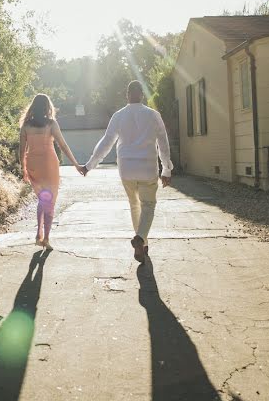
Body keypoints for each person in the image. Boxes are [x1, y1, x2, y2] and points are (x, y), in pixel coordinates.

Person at [79, 80, 172, 263]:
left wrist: (90, 165)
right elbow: (163, 143)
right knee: (148, 205)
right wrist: (167, 169)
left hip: (126, 168)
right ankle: (140, 239)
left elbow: (106, 142)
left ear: (127, 95)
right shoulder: (153, 115)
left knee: (134, 205)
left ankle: (142, 244)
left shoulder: (119, 116)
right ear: (142, 95)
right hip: (147, 167)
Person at [19, 94, 84, 248]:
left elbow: (22, 150)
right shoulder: (51, 124)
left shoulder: (26, 126)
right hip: (49, 164)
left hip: (33, 164)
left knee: (42, 199)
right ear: (48, 107)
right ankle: (45, 238)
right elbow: (63, 145)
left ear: (33, 107)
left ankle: (38, 234)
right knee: (49, 201)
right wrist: (76, 164)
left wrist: (23, 169)